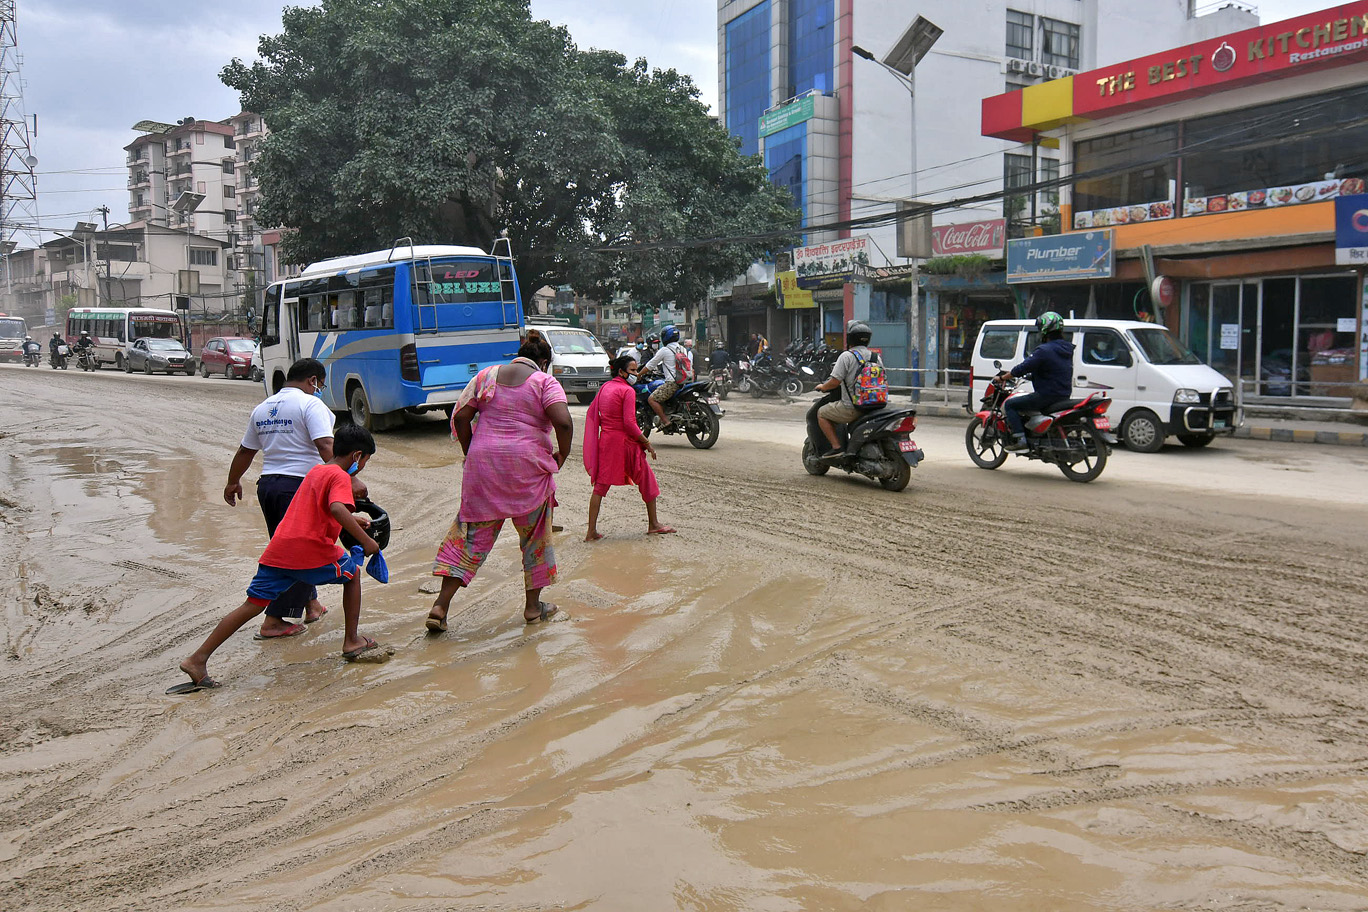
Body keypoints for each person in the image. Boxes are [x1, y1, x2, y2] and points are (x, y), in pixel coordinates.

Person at [170, 425, 383, 693]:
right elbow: (336, 507)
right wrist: (366, 541)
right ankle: (351, 641)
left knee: (253, 604)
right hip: (309, 549)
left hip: (280, 549)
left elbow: (318, 509)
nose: (363, 466)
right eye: (365, 461)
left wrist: (353, 519)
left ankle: (197, 659)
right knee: (352, 574)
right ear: (357, 456)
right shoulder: (340, 476)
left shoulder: (317, 471)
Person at [425, 335, 574, 633]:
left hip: (484, 469)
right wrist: (562, 455)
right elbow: (565, 422)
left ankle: (440, 606)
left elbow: (461, 417)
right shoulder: (545, 382)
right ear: (543, 362)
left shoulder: (486, 376)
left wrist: (472, 451)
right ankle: (533, 608)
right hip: (528, 471)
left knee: (469, 538)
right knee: (535, 541)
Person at [223, 358, 362, 638]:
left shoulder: (263, 408)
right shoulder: (310, 405)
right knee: (300, 551)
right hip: (300, 488)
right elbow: (326, 444)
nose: (319, 389)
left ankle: (311, 604)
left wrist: (232, 481)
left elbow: (245, 451)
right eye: (320, 384)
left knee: (287, 544)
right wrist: (351, 479)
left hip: (269, 486)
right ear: (312, 380)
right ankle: (274, 620)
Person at [583, 355, 674, 540]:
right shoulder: (627, 391)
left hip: (607, 442)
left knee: (600, 486)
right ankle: (654, 524)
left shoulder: (605, 388)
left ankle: (591, 531)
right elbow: (630, 424)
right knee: (647, 480)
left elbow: (596, 415)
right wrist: (646, 443)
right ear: (621, 372)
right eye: (632, 370)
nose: (636, 374)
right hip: (625, 444)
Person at [999, 311, 1075, 451]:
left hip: (1046, 396)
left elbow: (1023, 367)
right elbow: (1053, 369)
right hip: (1063, 394)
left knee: (1011, 405)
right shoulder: (1066, 349)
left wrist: (1003, 377)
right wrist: (1034, 375)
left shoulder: (1044, 350)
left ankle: (1021, 440)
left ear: (1044, 329)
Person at [813, 320, 879, 460]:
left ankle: (837, 447)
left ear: (850, 339)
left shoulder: (847, 356)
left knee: (821, 413)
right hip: (876, 405)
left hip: (854, 406)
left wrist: (823, 387)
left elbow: (835, 381)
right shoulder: (875, 356)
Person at [638, 324, 689, 431]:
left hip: (672, 384)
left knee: (652, 399)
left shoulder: (664, 350)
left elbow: (650, 365)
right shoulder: (683, 349)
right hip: (684, 382)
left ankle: (666, 421)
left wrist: (639, 374)